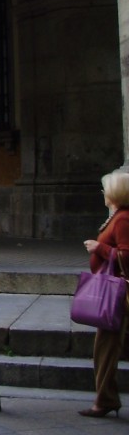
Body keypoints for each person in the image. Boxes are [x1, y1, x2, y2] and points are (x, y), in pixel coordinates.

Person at [79, 171, 129, 417]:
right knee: (104, 348)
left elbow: (126, 254)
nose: (103, 194)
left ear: (115, 193)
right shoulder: (118, 216)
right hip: (114, 293)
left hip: (116, 294)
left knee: (107, 349)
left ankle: (105, 400)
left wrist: (100, 248)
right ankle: (106, 398)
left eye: (105, 190)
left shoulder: (122, 219)